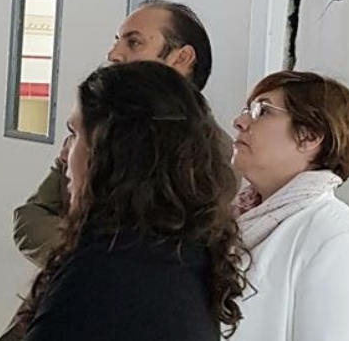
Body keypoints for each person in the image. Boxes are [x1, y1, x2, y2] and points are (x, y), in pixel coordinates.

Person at [18, 61, 245, 340]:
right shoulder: (186, 256)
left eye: (75, 134)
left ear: (116, 152)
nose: (65, 155)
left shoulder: (103, 276)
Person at [12, 0, 213, 267]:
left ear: (182, 58)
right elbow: (31, 217)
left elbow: (183, 253)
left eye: (134, 43)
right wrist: (91, 260)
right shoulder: (97, 131)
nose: (113, 55)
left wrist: (109, 259)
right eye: (117, 41)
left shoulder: (214, 155)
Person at [231, 70, 349, 341]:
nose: (240, 121)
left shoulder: (341, 244)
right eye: (247, 109)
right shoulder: (232, 220)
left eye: (262, 111)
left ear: (310, 136)